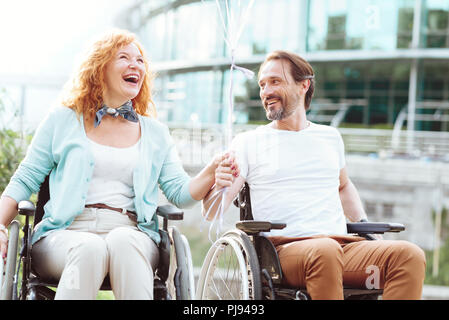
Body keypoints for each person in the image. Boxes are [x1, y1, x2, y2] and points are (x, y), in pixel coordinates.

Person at [0, 29, 223, 300]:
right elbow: (24, 179)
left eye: (140, 60)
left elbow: (179, 192)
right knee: (90, 247)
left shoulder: (155, 133)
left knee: (123, 241)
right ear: (99, 67)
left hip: (131, 232)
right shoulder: (61, 120)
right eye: (124, 57)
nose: (136, 65)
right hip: (64, 234)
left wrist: (211, 171)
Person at [203, 50, 426, 300]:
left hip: (341, 246)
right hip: (284, 252)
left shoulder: (330, 137)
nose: (266, 92)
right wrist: (216, 185)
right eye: (262, 85)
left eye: (275, 81)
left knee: (409, 255)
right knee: (325, 251)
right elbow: (212, 212)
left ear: (303, 85)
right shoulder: (247, 142)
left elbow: (343, 186)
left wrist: (364, 226)